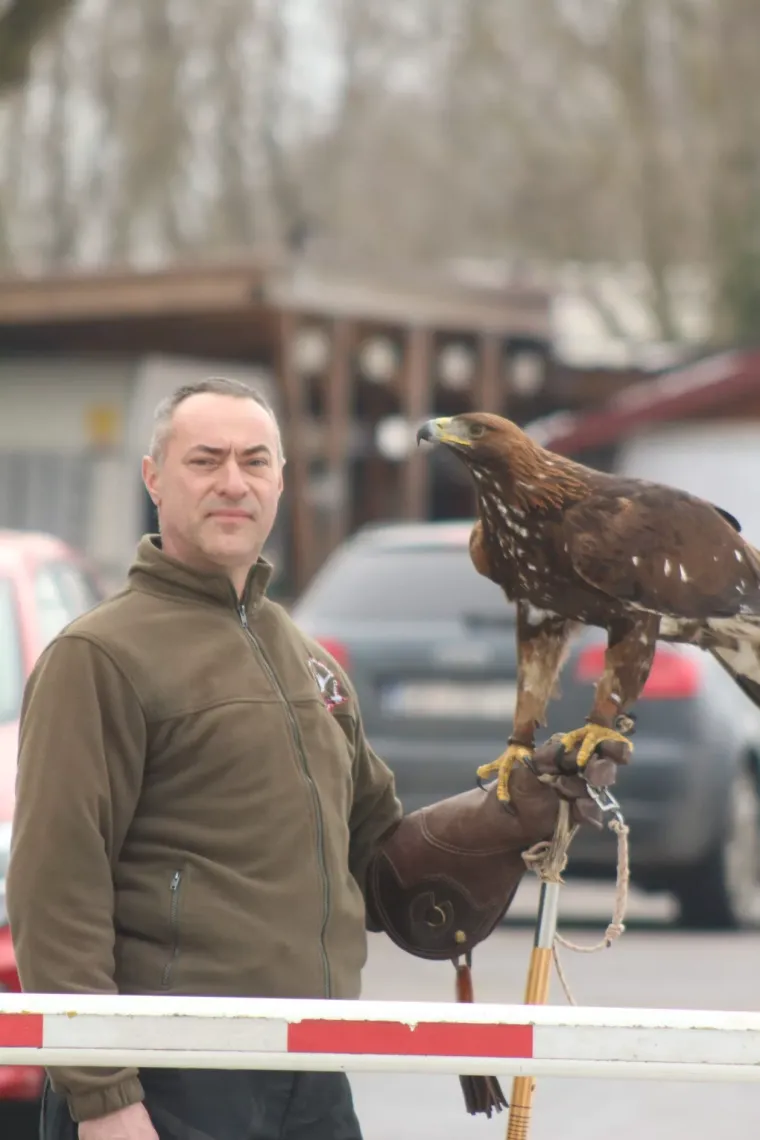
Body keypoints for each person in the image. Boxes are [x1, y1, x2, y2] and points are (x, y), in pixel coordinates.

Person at [6, 377, 628, 1140]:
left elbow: (376, 853)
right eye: (205, 460)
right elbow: (55, 887)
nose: (233, 481)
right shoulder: (98, 656)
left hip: (310, 1062)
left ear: (280, 481)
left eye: (254, 461)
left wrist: (504, 816)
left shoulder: (308, 661)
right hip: (170, 1069)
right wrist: (104, 1097)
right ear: (154, 478)